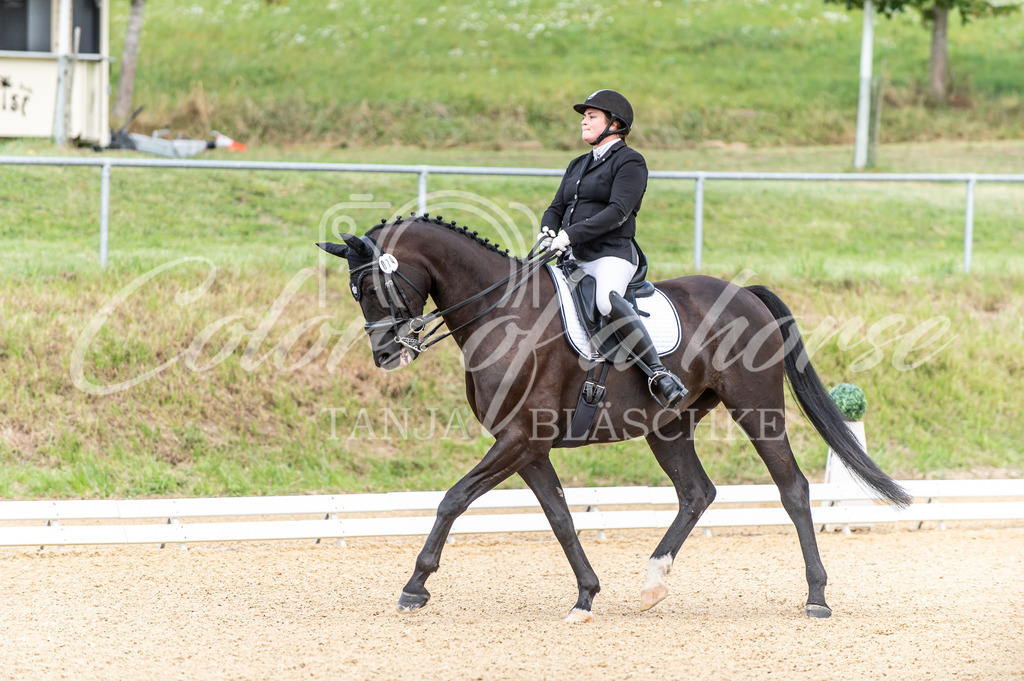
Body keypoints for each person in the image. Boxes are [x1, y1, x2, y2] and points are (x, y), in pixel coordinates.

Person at [537, 89, 688, 409]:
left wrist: (570, 234)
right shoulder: (578, 164)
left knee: (606, 301)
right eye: (583, 116)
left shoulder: (631, 162)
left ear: (614, 124)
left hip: (611, 254)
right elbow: (556, 206)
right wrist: (548, 230)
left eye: (591, 116)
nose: (583, 121)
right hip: (572, 255)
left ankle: (659, 374)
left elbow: (618, 212)